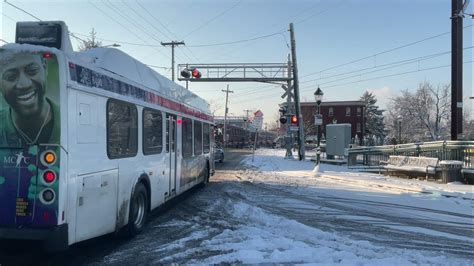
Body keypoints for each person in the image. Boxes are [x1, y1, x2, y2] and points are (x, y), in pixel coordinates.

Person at [0, 51, 59, 146]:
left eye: (32, 71)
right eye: (10, 76)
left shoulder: (69, 123)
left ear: (45, 68)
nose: (24, 84)